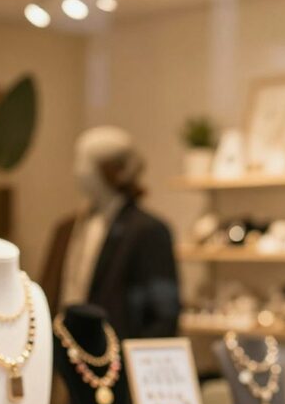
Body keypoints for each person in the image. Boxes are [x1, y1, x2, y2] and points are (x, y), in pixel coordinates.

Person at [40, 125, 180, 340]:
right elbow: (49, 293)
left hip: (116, 359)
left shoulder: (148, 231)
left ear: (112, 169)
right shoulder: (66, 229)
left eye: (85, 162)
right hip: (64, 353)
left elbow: (164, 314)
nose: (78, 171)